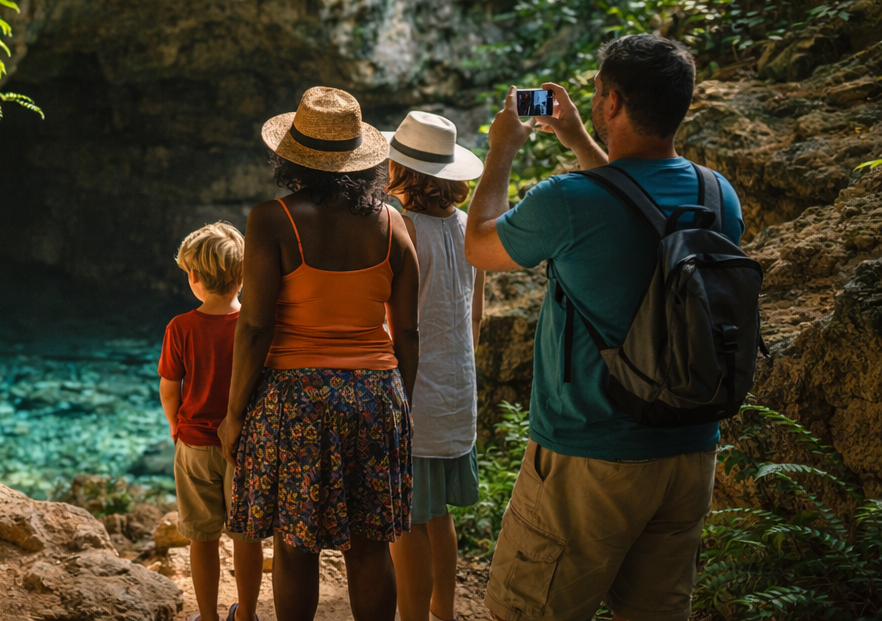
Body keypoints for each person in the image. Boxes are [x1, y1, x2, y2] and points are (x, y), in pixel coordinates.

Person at [465, 34, 744, 621]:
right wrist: (576, 138)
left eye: (598, 93)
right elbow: (630, 203)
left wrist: (501, 149)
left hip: (589, 457)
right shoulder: (718, 195)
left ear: (611, 103)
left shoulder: (567, 200)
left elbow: (478, 246)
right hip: (689, 450)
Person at [219, 86, 421, 621]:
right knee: (371, 546)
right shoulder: (394, 223)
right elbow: (409, 333)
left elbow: (256, 326)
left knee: (294, 542)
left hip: (295, 400)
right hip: (376, 395)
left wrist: (234, 415)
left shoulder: (271, 219)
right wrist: (402, 408)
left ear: (291, 157)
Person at [381, 112, 487, 621]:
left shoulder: (398, 226)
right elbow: (476, 314)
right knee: (437, 514)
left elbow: (390, 316)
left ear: (402, 171)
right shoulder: (470, 228)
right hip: (456, 389)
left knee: (405, 518)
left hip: (413, 388)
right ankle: (443, 613)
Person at [159, 222, 265, 621]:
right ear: (243, 276)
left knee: (201, 539)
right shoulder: (254, 326)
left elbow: (170, 387)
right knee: (247, 536)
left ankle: (207, 616)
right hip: (247, 446)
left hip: (195, 445)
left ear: (194, 278)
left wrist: (175, 425)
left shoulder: (180, 328)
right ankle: (247, 615)